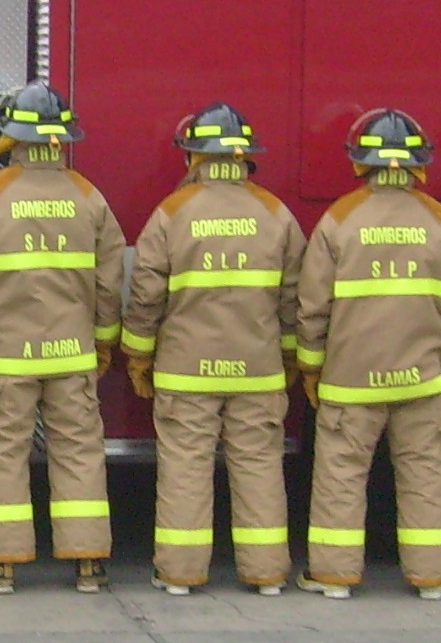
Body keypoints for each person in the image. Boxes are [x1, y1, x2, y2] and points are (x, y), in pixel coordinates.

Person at [0, 81, 126, 594]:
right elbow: (108, 281)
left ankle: (1, 565)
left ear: (12, 136)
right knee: (79, 451)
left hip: (8, 357)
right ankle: (89, 562)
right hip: (72, 353)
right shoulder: (89, 197)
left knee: (3, 454)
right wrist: (102, 341)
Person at [122, 103, 305, 597]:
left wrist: (139, 356)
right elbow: (295, 299)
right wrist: (291, 357)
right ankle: (267, 573)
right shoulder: (277, 215)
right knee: (259, 467)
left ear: (194, 157)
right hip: (257, 370)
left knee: (185, 467)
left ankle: (179, 573)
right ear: (245, 157)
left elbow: (146, 294)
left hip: (186, 371)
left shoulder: (172, 213)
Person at [294, 107, 441, 600]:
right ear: (417, 164)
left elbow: (313, 305)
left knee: (341, 477)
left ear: (361, 162)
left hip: (350, 380)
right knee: (426, 475)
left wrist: (310, 365)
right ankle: (433, 576)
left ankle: (334, 576)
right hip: (423, 379)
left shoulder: (338, 219)